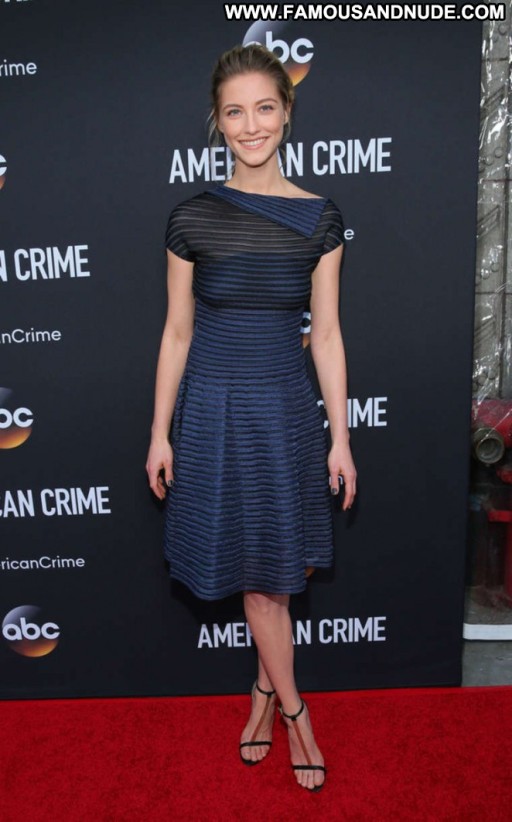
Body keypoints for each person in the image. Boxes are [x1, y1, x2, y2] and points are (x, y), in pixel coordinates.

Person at [146, 43, 357, 793]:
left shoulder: (321, 218)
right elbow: (177, 333)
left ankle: (265, 692)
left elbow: (325, 335)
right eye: (234, 112)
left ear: (287, 111)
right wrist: (159, 432)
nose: (251, 125)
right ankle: (296, 712)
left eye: (265, 107)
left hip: (286, 412)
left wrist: (340, 437)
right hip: (214, 410)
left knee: (279, 571)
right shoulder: (191, 218)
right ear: (217, 120)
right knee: (259, 581)